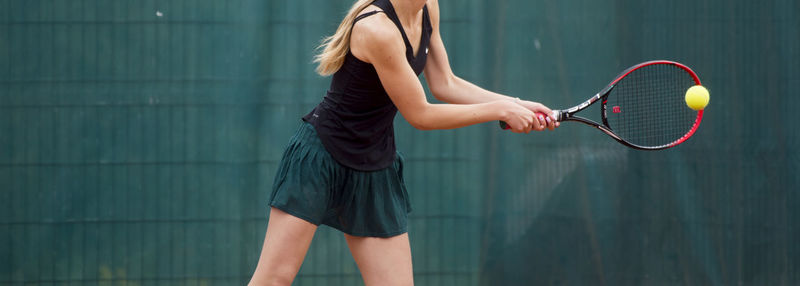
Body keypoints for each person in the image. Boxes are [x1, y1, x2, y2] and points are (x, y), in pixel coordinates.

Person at [248, 0, 558, 285]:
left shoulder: (427, 8)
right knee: (273, 280)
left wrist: (518, 104)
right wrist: (500, 110)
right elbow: (420, 114)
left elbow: (444, 83)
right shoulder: (377, 30)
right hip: (321, 157)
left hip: (374, 167)